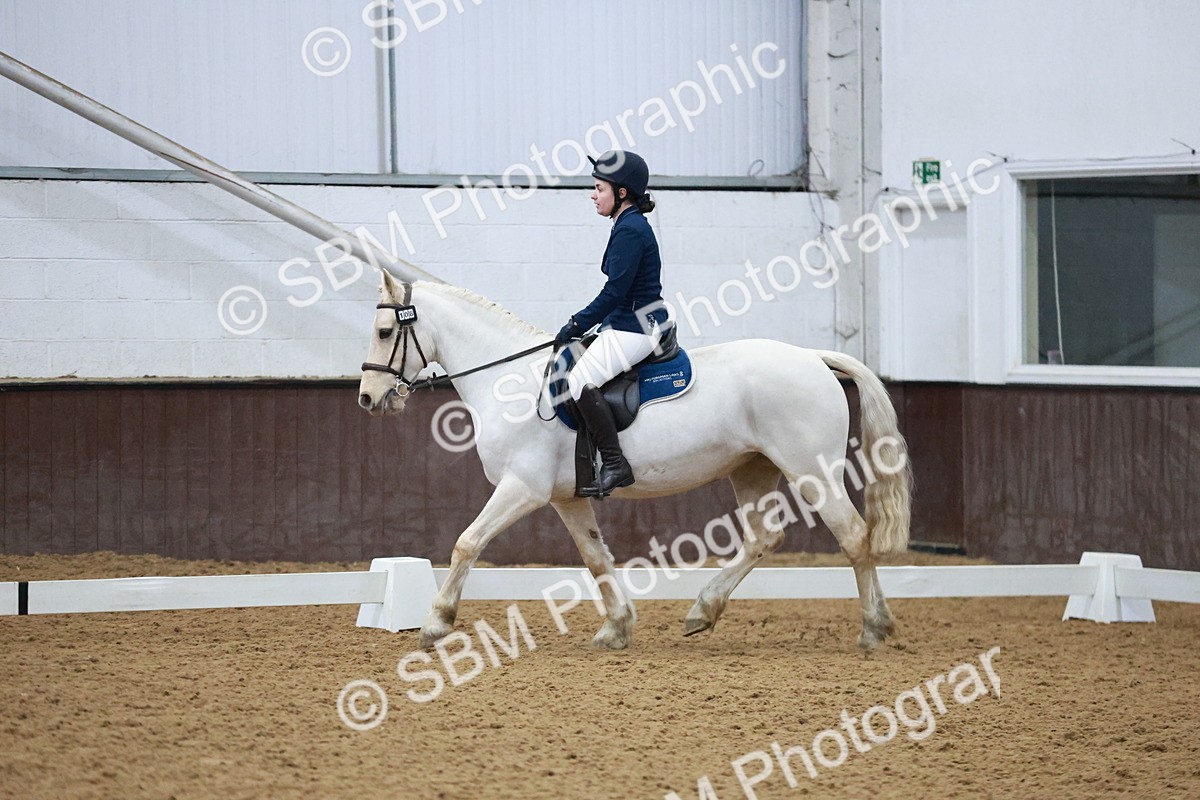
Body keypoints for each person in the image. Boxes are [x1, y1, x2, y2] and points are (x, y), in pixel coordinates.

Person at [555, 150, 669, 498]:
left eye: (599, 188)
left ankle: (615, 463)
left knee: (578, 381)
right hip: (630, 320)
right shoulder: (627, 224)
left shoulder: (630, 230)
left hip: (635, 326)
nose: (593, 194)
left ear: (621, 193)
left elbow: (615, 292)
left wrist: (576, 323)